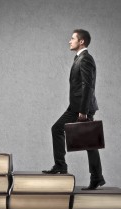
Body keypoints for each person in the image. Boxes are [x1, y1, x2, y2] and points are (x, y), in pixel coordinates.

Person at [42, 29, 105, 190]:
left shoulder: (85, 59)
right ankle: (94, 176)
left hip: (82, 108)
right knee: (89, 142)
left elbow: (88, 85)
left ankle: (63, 166)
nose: (69, 41)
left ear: (81, 41)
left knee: (63, 131)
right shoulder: (80, 58)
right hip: (77, 107)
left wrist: (83, 111)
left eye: (72, 38)